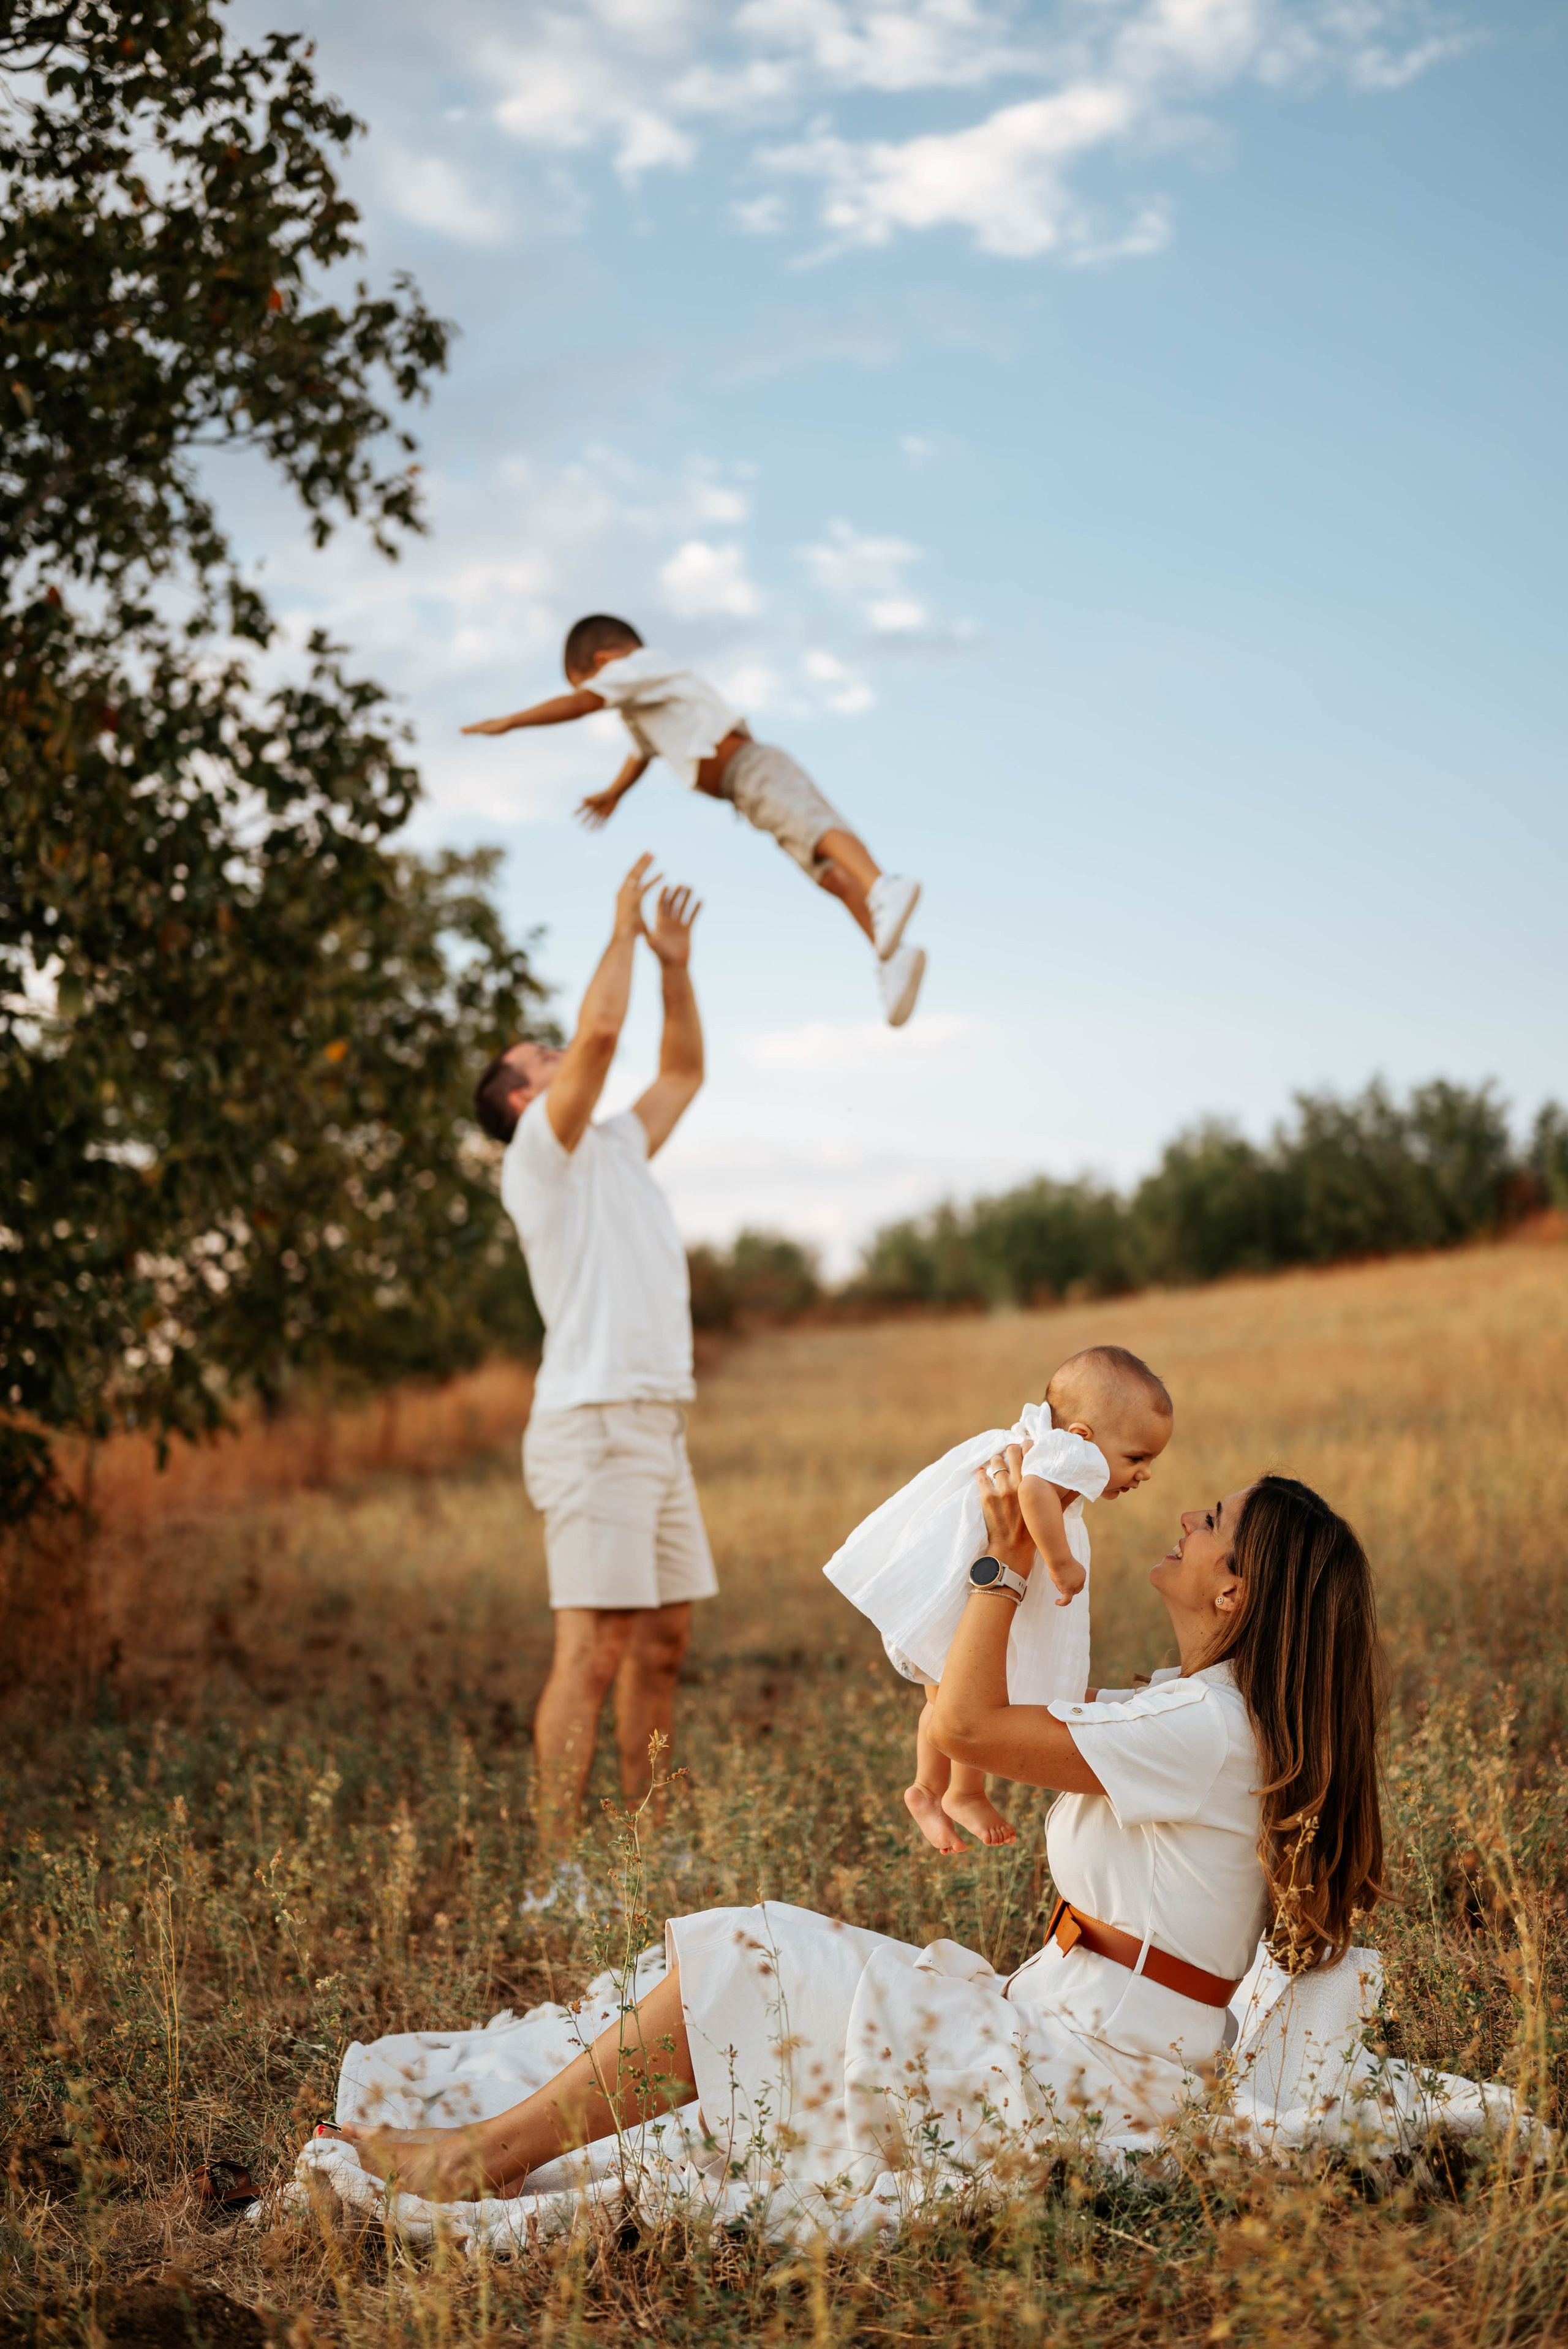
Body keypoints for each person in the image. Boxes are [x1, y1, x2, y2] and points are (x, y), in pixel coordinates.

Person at [328, 1460, 1385, 2201]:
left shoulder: (1196, 1728)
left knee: (757, 1950)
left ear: (1235, 1587)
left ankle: (483, 2158)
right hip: (1082, 2041)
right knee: (760, 1982)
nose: (1188, 1522)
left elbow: (968, 1723)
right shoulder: (1197, 1714)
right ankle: (495, 2143)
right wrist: (1003, 1531)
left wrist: (1007, 1568)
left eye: (1211, 1521)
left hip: (1086, 2077)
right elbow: (986, 1706)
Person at [472, 854, 714, 1847]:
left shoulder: (614, 1145)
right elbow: (603, 1036)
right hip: (591, 1422)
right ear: (525, 1099)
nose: (564, 1058)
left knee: (661, 1642)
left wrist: (673, 965)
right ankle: (557, 1866)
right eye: (545, 1058)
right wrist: (619, 925)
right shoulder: (540, 1159)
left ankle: (646, 1849)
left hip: (657, 1422)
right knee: (596, 1647)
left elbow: (684, 1070)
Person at [461, 615, 928, 1029]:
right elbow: (641, 753)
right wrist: (615, 793)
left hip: (751, 766)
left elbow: (583, 704)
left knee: (818, 834)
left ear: (604, 661)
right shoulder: (644, 698)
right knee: (829, 875)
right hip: (743, 790)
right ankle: (890, 955)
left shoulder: (636, 667)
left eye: (585, 682)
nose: (591, 694)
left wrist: (511, 721)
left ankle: (883, 885)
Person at [824, 1344, 1173, 1854]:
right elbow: (1032, 1494)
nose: (1144, 1473)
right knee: (985, 1689)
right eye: (1136, 1457)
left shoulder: (1047, 1439)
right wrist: (1059, 1562)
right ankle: (963, 1792)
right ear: (1084, 1436)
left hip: (955, 1570)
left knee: (946, 1686)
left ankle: (926, 1790)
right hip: (984, 1563)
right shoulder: (1072, 1453)